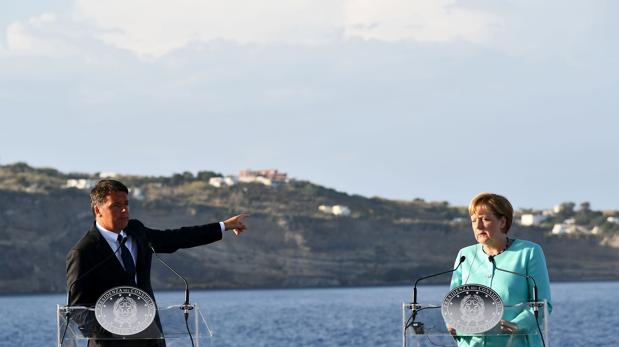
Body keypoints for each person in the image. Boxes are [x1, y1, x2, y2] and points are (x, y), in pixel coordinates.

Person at [66, 179, 249, 346]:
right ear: (97, 210)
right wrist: (117, 333)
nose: (124, 210)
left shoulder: (137, 231)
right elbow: (78, 309)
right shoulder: (83, 252)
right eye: (116, 206)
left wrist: (223, 226)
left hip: (151, 339)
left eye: (126, 204)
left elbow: (177, 237)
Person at [449, 192, 552, 347]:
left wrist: (518, 325)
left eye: (485, 219)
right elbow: (452, 304)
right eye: (474, 220)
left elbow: (543, 304)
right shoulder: (465, 255)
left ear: (502, 222)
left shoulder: (528, 252)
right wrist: (452, 324)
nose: (478, 226)